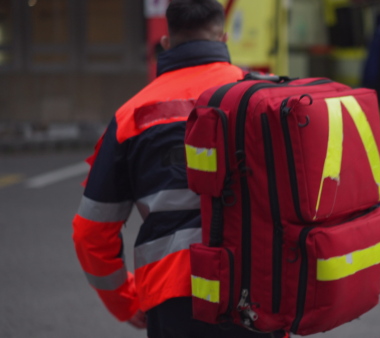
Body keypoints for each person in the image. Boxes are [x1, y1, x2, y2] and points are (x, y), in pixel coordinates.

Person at [72, 1, 286, 337]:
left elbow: (90, 232)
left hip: (174, 298)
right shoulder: (267, 97)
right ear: (223, 38)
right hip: (261, 287)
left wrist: (125, 301)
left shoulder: (132, 116)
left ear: (167, 43)